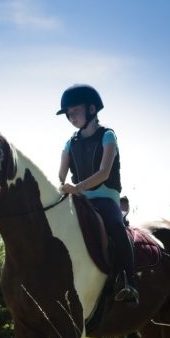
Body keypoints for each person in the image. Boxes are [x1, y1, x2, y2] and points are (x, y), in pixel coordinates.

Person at [57, 84, 139, 306]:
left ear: (92, 109)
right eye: (68, 113)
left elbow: (103, 173)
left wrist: (77, 187)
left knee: (115, 227)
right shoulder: (69, 142)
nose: (70, 117)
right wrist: (64, 186)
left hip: (106, 197)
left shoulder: (108, 136)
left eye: (75, 111)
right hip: (81, 197)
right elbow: (61, 175)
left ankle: (128, 281)